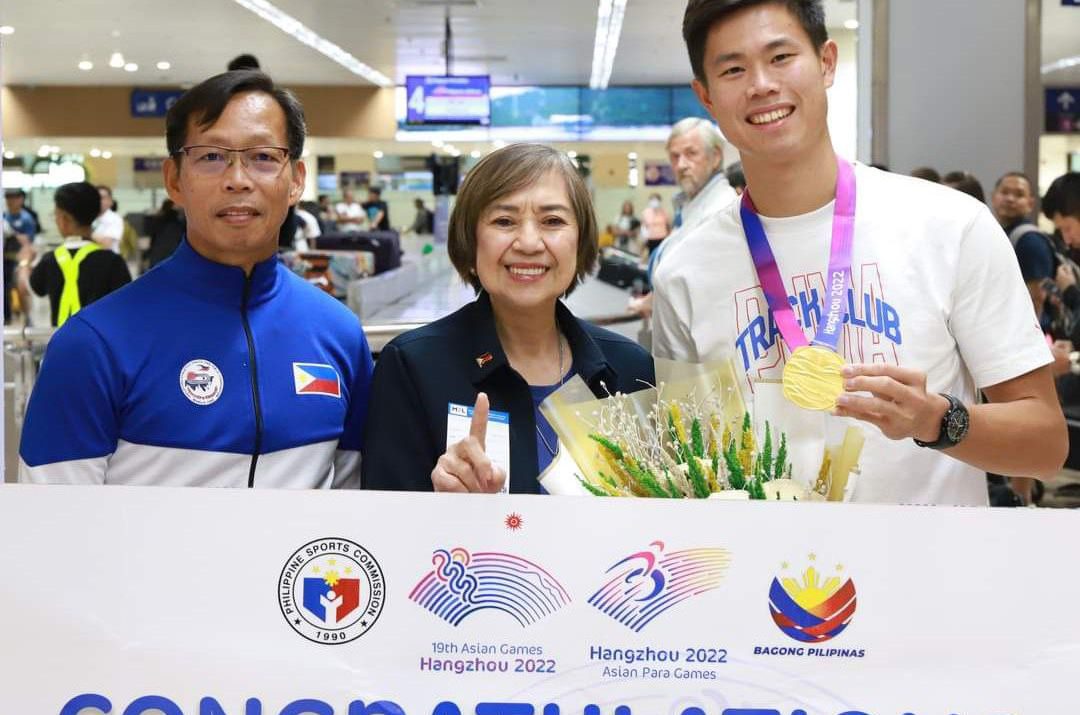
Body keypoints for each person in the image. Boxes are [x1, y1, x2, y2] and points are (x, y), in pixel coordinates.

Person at [652, 0, 1065, 505]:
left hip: (929, 555)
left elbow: (1046, 445)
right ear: (706, 97)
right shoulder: (684, 272)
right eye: (733, 69)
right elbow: (687, 467)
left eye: (780, 57)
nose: (761, 84)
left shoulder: (950, 226)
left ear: (826, 62)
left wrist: (937, 420)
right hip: (763, 559)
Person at [19, 69, 374, 487]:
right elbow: (54, 520)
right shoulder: (93, 345)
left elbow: (350, 505)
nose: (237, 180)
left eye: (263, 156)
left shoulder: (339, 335)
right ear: (174, 180)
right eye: (211, 157)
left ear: (296, 180)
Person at [362, 143, 655, 494]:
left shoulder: (630, 370)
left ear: (579, 244)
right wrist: (440, 503)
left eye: (552, 221)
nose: (529, 243)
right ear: (470, 242)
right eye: (504, 221)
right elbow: (385, 518)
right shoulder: (414, 368)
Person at [630, 117, 738, 321]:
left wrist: (653, 302)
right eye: (674, 156)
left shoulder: (721, 209)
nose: (681, 165)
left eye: (691, 153)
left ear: (715, 157)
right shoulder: (690, 206)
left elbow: (699, 284)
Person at [20, 182, 131, 327]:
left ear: (64, 219)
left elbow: (28, 288)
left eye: (55, 215)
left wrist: (25, 262)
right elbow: (125, 305)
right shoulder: (113, 261)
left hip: (62, 338)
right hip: (99, 338)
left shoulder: (50, 260)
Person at [992, 172, 1055, 328]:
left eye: (1019, 194)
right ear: (993, 197)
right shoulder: (998, 233)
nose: (1010, 199)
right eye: (1004, 192)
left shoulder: (1030, 240)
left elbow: (1037, 297)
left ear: (1031, 203)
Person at [3, 188, 39, 324]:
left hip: (20, 259)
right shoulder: (4, 217)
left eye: (14, 198)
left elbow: (28, 242)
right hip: (5, 258)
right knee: (5, 288)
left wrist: (12, 233)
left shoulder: (26, 219)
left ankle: (27, 317)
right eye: (8, 198)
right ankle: (6, 317)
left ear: (21, 200)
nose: (10, 201)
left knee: (21, 287)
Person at [145, 199, 185, 268]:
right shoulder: (179, 225)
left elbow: (153, 241)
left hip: (158, 257)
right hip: (172, 256)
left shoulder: (157, 223)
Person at [91, 185, 125, 253]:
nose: (99, 201)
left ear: (110, 201)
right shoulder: (90, 217)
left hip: (107, 256)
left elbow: (106, 244)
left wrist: (85, 234)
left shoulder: (115, 219)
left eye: (102, 198)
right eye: (96, 197)